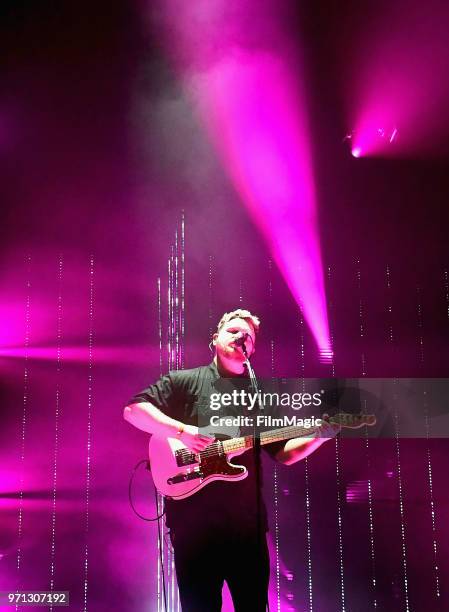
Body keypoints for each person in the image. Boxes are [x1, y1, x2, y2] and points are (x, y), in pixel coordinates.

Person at [124, 308, 338, 611]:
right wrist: (183, 432)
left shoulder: (258, 397)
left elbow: (285, 453)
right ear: (215, 339)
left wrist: (320, 435)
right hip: (194, 529)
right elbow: (133, 411)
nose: (241, 338)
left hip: (246, 532)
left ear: (252, 350)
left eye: (248, 337)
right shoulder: (184, 382)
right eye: (234, 331)